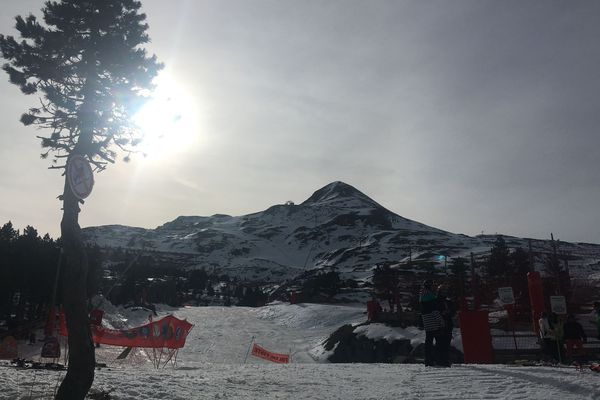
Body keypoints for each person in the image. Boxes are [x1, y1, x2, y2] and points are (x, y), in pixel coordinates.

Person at [420, 280, 444, 367]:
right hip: (435, 324)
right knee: (439, 343)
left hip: (427, 324)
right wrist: (442, 323)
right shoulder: (430, 298)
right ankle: (439, 360)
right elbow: (435, 311)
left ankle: (428, 360)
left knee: (428, 343)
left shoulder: (422, 296)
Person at [436, 284, 455, 367]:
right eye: (443, 291)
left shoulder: (448, 302)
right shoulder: (436, 301)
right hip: (439, 325)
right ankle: (440, 361)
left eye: (445, 291)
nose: (444, 293)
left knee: (446, 343)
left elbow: (453, 312)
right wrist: (442, 313)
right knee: (440, 343)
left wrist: (449, 312)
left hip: (448, 325)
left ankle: (445, 360)